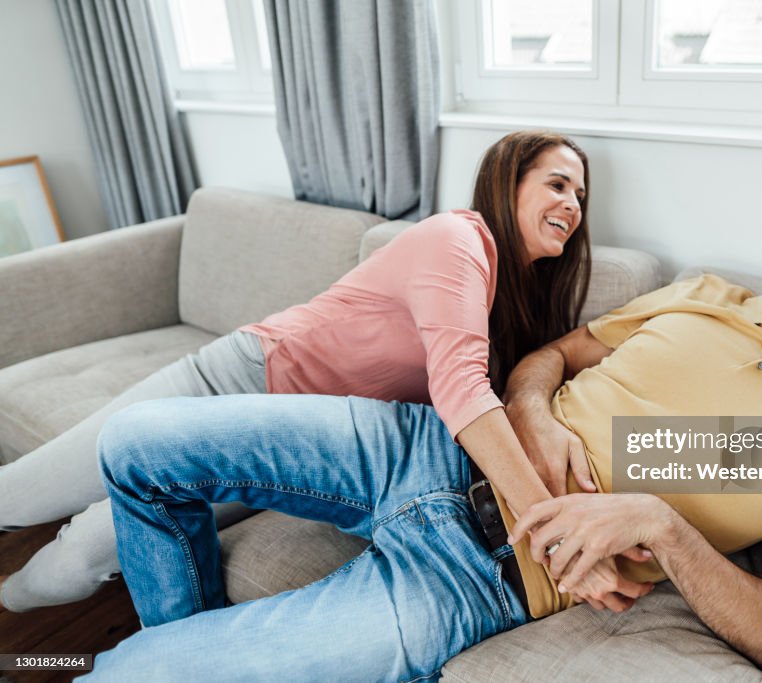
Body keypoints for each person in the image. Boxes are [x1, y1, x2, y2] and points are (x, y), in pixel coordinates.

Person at [85, 229, 762, 681]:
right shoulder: (710, 296)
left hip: (486, 576)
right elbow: (558, 357)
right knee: (134, 444)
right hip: (427, 447)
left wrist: (663, 524)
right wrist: (533, 404)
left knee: (131, 673)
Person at [0, 130, 592, 613]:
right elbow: (460, 388)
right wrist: (553, 529)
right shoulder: (456, 238)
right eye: (558, 184)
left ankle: (8, 604)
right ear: (506, 180)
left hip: (284, 448)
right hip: (235, 383)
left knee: (87, 551)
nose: (572, 205)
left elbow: (505, 391)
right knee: (18, 498)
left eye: (581, 197)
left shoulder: (510, 304)